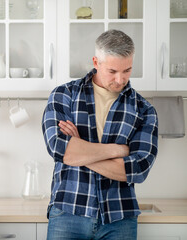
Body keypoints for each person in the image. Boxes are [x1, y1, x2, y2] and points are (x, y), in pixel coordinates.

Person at [42, 29, 158, 239]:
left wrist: (79, 148)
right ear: (96, 62)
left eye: (127, 70)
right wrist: (117, 150)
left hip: (120, 217)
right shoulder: (64, 95)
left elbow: (138, 170)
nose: (120, 79)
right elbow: (61, 150)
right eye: (112, 71)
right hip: (68, 211)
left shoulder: (144, 109)